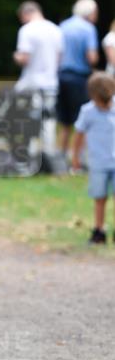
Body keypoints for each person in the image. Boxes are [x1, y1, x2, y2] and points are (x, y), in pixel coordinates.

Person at [13, 1, 63, 157]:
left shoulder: (27, 30)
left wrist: (16, 57)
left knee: (30, 117)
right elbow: (59, 57)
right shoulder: (55, 29)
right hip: (51, 82)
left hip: (31, 82)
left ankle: (31, 152)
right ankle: (49, 153)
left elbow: (24, 58)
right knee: (48, 119)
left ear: (25, 14)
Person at [71, 72, 115, 245]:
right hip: (98, 163)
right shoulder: (88, 111)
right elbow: (79, 135)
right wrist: (76, 157)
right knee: (100, 198)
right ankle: (99, 230)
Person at [57, 0, 99, 156]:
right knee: (81, 120)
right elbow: (91, 57)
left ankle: (61, 155)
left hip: (61, 76)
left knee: (64, 121)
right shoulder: (88, 29)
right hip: (79, 78)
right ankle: (79, 158)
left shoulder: (63, 26)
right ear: (90, 12)